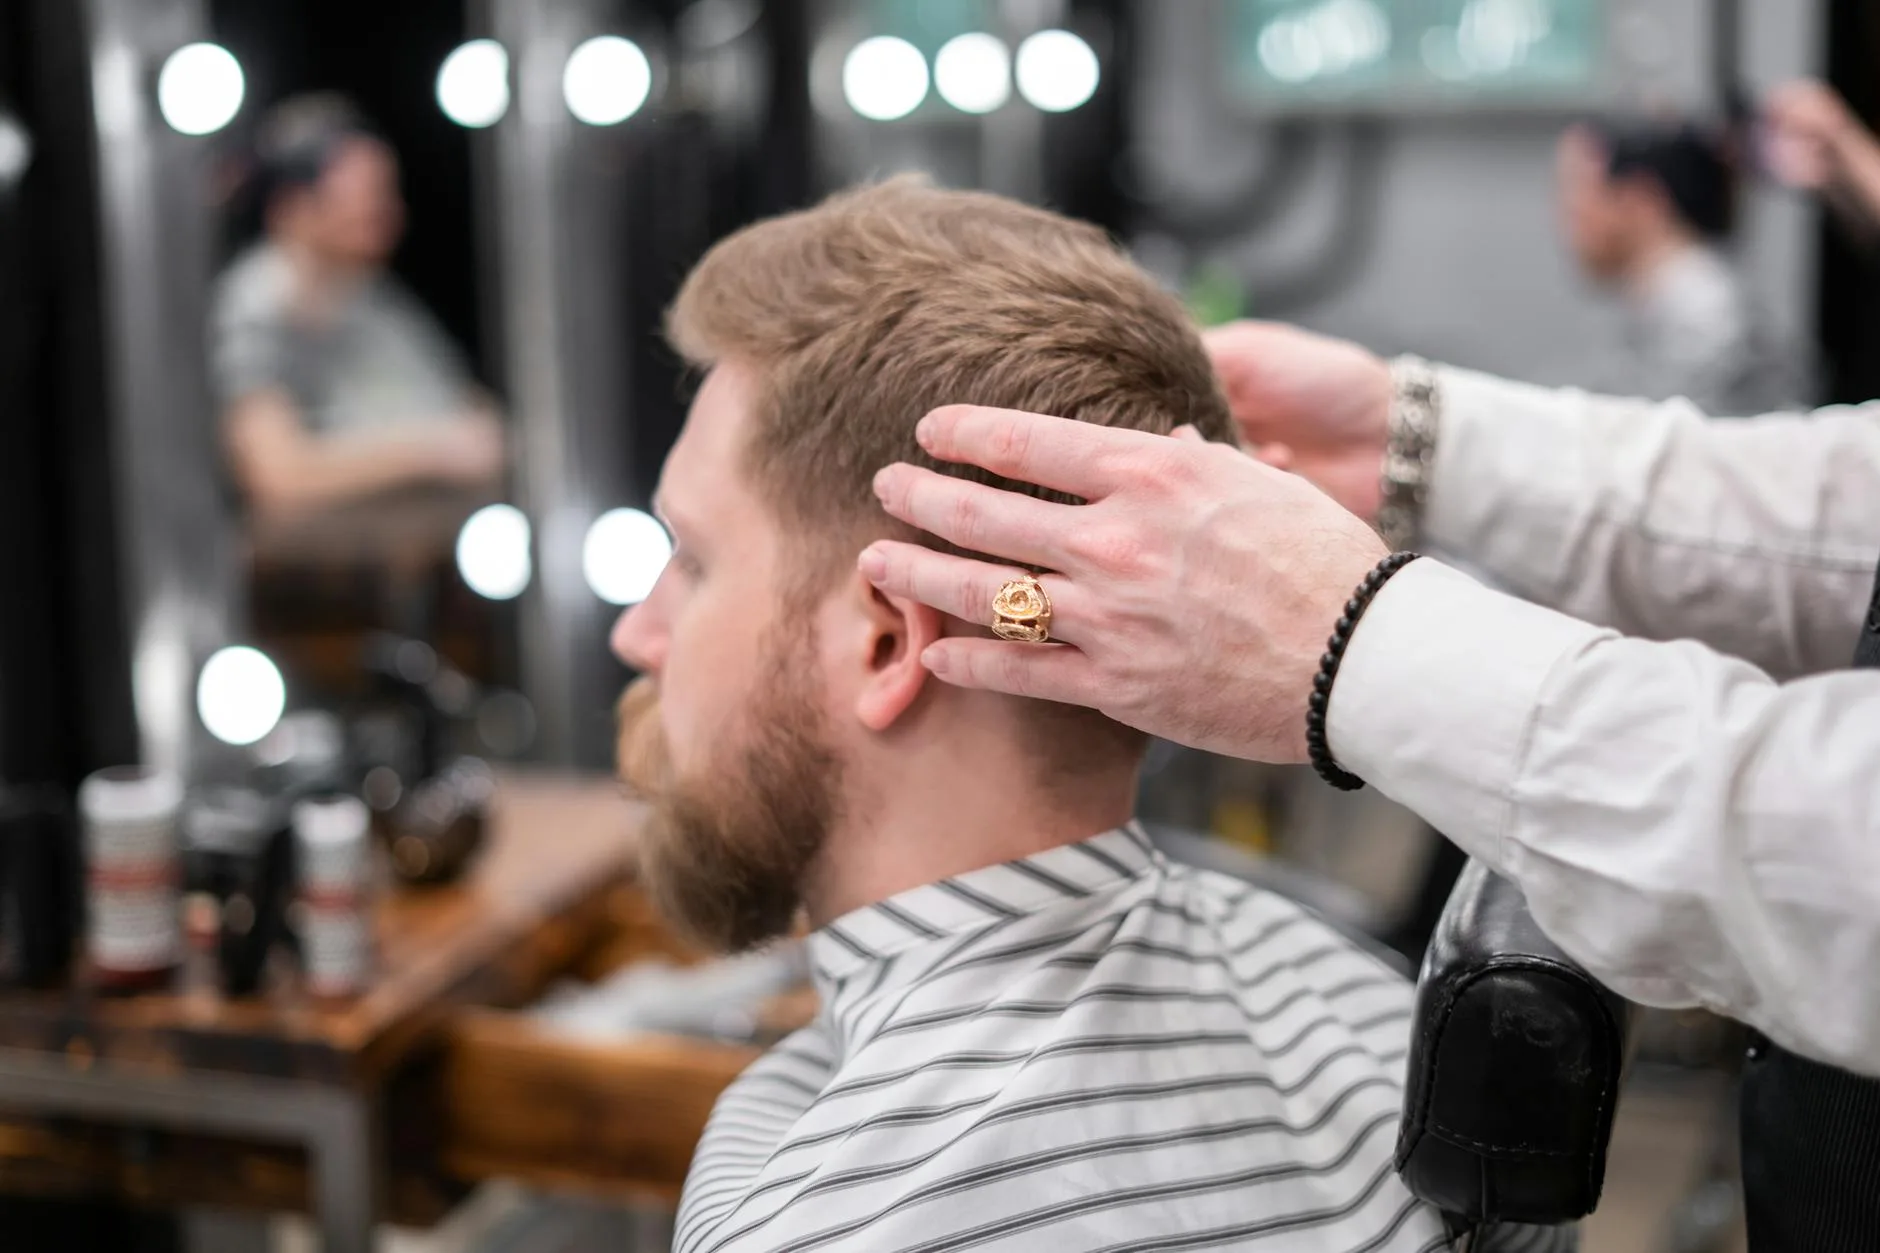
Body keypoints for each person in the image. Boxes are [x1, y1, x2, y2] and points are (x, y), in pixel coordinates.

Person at [609, 180, 1564, 1253]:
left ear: (886, 635)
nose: (637, 632)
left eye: (689, 558)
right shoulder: (1376, 1020)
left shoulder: (814, 1219)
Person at [211, 94, 504, 518]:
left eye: (388, 197)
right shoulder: (253, 307)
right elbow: (275, 474)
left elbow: (470, 416)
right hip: (309, 572)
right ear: (292, 206)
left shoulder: (373, 301)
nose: (389, 217)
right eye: (367, 200)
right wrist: (430, 452)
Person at [1555, 116, 1806, 413]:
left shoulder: (1707, 321)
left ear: (1641, 200)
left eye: (1580, 194)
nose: (1567, 219)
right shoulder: (1673, 308)